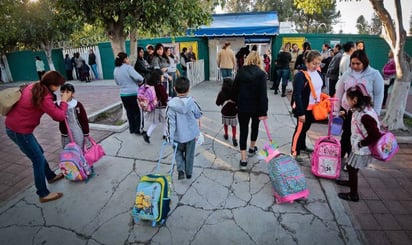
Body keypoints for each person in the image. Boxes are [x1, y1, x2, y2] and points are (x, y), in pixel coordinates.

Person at [5, 71, 69, 203]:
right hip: (20, 130)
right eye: (58, 85)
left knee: (38, 152)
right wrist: (64, 102)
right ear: (52, 85)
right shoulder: (44, 96)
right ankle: (43, 194)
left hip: (16, 127)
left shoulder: (35, 86)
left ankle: (50, 176)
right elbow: (59, 116)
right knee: (37, 159)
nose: (58, 88)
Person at [334, 50, 384, 161]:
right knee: (346, 134)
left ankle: (352, 161)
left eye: (358, 63)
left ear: (364, 62)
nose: (355, 66)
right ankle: (340, 158)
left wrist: (376, 113)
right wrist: (336, 109)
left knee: (359, 136)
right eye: (353, 63)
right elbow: (339, 91)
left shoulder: (374, 74)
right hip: (349, 110)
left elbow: (379, 94)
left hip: (364, 112)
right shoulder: (347, 73)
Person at [336, 84, 380, 202]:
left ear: (355, 100)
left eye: (348, 100)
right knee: (352, 167)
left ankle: (353, 194)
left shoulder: (365, 116)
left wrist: (362, 144)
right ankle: (351, 182)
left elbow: (375, 134)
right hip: (358, 145)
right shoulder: (361, 109)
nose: (347, 102)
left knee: (351, 166)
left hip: (362, 147)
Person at [231, 51, 268, 170]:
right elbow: (263, 95)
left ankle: (243, 159)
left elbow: (234, 89)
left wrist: (235, 101)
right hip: (257, 107)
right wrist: (264, 111)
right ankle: (252, 147)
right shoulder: (262, 74)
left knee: (243, 130)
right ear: (259, 60)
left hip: (243, 106)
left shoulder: (241, 72)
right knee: (255, 127)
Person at [166, 76, 203, 180]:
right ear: (188, 89)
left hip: (177, 136)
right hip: (191, 136)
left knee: (177, 153)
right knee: (189, 155)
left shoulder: (171, 106)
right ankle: (189, 173)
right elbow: (199, 113)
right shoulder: (192, 103)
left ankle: (181, 169)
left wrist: (169, 137)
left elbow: (170, 123)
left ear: (174, 89)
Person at [290, 50, 323, 163]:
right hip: (304, 108)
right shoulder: (301, 75)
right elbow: (297, 94)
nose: (316, 66)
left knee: (305, 129)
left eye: (318, 63)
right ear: (307, 62)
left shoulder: (318, 72)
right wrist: (300, 112)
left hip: (314, 107)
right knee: (299, 130)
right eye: (314, 63)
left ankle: (302, 146)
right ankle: (294, 152)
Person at [114, 52, 144, 135]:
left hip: (123, 94)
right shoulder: (128, 68)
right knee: (136, 112)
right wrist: (139, 82)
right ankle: (137, 130)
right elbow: (139, 77)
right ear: (124, 59)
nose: (128, 60)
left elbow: (117, 82)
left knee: (129, 112)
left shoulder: (116, 69)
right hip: (133, 93)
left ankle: (131, 129)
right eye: (127, 58)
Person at [58, 83, 89, 149]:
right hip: (66, 132)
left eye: (67, 92)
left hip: (77, 130)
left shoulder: (77, 104)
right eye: (62, 92)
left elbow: (84, 119)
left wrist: (86, 132)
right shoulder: (58, 104)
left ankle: (79, 158)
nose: (64, 94)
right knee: (67, 147)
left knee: (79, 146)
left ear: (73, 93)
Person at [142, 69, 168, 144]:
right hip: (161, 107)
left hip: (155, 106)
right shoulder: (160, 86)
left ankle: (149, 135)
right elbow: (164, 97)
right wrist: (167, 97)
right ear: (158, 77)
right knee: (164, 121)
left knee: (156, 122)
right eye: (162, 76)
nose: (163, 78)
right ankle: (165, 135)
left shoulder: (151, 85)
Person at [216, 77, 238, 147]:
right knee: (233, 126)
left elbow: (217, 103)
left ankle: (226, 134)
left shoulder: (221, 93)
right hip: (233, 112)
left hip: (225, 112)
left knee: (225, 124)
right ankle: (234, 137)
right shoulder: (235, 93)